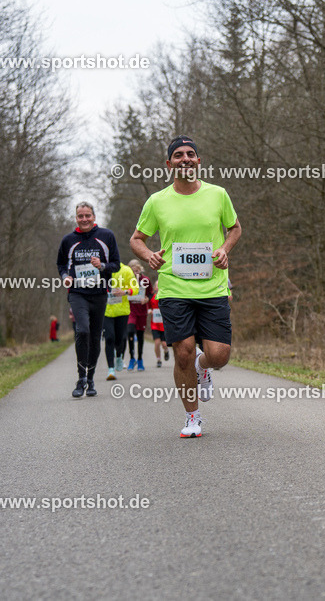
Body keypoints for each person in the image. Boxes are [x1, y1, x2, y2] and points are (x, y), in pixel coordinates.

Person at [131, 135, 241, 438]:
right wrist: (149, 255)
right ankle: (193, 417)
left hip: (213, 288)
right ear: (169, 164)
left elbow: (234, 228)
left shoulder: (218, 194)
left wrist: (225, 250)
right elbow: (136, 239)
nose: (185, 159)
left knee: (219, 355)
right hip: (174, 289)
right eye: (178, 155)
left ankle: (203, 367)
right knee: (183, 353)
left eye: (190, 154)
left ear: (199, 160)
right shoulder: (157, 201)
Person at [56, 202, 121, 398]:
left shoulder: (106, 236)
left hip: (99, 293)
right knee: (82, 330)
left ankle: (90, 378)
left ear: (93, 216)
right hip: (77, 293)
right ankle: (80, 378)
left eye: (87, 215)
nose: (84, 219)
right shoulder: (69, 240)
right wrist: (65, 276)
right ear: (76, 218)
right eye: (80, 216)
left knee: (94, 337)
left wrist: (102, 266)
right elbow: (61, 264)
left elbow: (116, 265)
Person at [103, 262, 138, 380]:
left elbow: (136, 288)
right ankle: (111, 369)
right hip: (106, 311)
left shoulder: (126, 270)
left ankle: (119, 356)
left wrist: (125, 292)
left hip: (122, 311)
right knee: (109, 338)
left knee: (121, 339)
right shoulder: (102, 269)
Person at [126, 259, 154, 370]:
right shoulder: (127, 280)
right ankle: (132, 358)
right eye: (133, 271)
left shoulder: (145, 280)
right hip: (130, 310)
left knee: (140, 335)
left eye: (137, 271)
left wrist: (147, 299)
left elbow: (151, 294)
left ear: (140, 269)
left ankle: (140, 359)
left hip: (142, 311)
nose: (135, 273)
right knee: (130, 332)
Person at [149, 281, 169, 367]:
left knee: (164, 344)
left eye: (159, 286)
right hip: (155, 324)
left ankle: (166, 351)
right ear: (154, 288)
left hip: (163, 325)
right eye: (156, 286)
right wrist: (149, 311)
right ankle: (158, 359)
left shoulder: (164, 297)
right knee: (157, 343)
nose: (157, 287)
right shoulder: (152, 298)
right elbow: (148, 307)